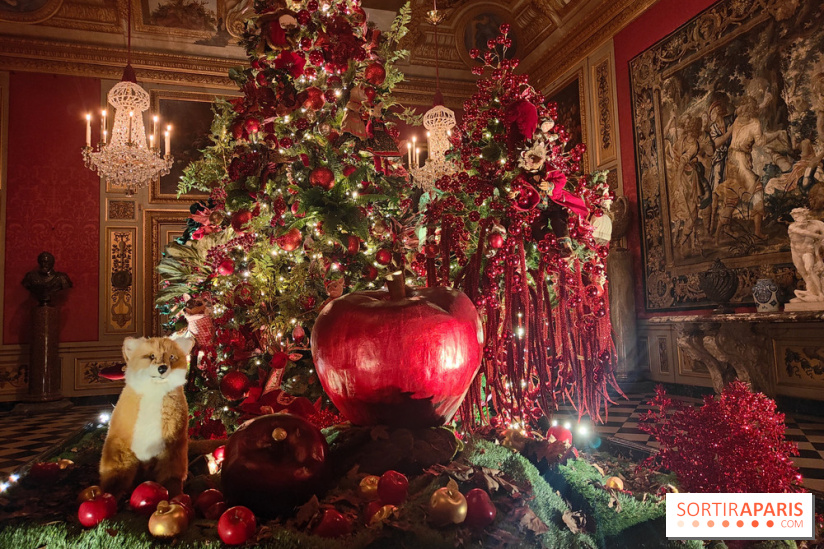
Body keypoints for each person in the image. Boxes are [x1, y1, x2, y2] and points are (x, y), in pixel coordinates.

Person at [787, 208, 824, 302]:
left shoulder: (816, 225)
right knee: (803, 273)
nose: (797, 219)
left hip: (808, 251)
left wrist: (818, 257)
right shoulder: (792, 227)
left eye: (799, 217)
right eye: (795, 218)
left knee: (809, 269)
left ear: (805, 216)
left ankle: (820, 294)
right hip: (796, 252)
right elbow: (803, 232)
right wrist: (819, 236)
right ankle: (811, 292)